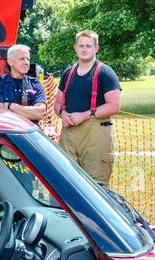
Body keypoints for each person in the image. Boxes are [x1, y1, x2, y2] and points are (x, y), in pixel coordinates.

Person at [50, 30, 121, 185]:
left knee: (96, 186)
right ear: (75, 47)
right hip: (68, 135)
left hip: (95, 135)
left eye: (88, 46)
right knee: (65, 182)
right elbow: (57, 104)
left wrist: (85, 115)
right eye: (81, 45)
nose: (84, 49)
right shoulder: (68, 73)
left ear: (96, 49)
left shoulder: (105, 73)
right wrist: (62, 113)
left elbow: (114, 106)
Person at [0, 44, 46, 121]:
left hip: (28, 131)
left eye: (28, 59)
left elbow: (39, 113)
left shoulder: (35, 84)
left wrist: (11, 106)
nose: (26, 62)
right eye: (22, 59)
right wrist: (28, 113)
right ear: (10, 62)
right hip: (7, 131)